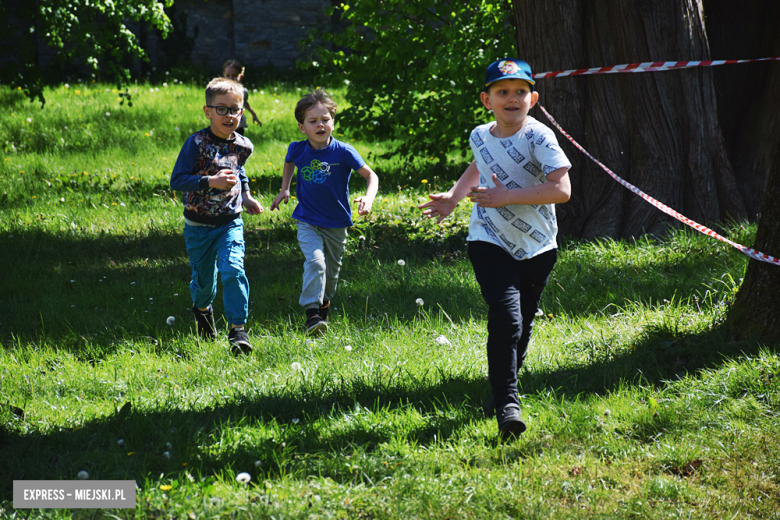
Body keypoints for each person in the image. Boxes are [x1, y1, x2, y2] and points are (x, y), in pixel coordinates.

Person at [419, 58, 572, 438]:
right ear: (487, 100)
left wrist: (507, 198)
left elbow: (562, 190)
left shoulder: (540, 138)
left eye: (520, 92)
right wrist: (455, 198)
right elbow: (480, 164)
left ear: (532, 99)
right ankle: (508, 403)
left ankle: (500, 389)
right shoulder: (480, 134)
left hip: (538, 245)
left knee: (524, 322)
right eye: (503, 92)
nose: (512, 98)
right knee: (507, 318)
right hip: (487, 239)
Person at [270, 88, 379, 335]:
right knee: (316, 262)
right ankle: (311, 314)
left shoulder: (343, 151)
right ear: (302, 127)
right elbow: (289, 161)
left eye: (325, 120)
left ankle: (323, 306)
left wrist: (369, 197)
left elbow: (371, 175)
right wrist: (285, 188)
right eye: (313, 121)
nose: (320, 125)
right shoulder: (298, 149)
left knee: (330, 273)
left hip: (337, 221)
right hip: (307, 219)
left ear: (333, 122)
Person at [170, 77, 264, 354]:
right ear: (207, 111)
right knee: (203, 283)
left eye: (234, 109)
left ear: (242, 112)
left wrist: (246, 195)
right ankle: (202, 310)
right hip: (198, 225)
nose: (228, 115)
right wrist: (209, 181)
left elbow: (239, 170)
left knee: (234, 271)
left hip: (230, 222)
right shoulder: (196, 144)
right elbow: (177, 180)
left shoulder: (243, 146)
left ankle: (238, 331)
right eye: (221, 109)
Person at [222, 59, 262, 135]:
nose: (230, 78)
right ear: (224, 75)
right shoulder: (219, 92)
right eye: (228, 75)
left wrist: (253, 114)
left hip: (238, 124)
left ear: (241, 76)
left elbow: (244, 103)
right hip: (224, 122)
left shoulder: (242, 91)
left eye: (234, 76)